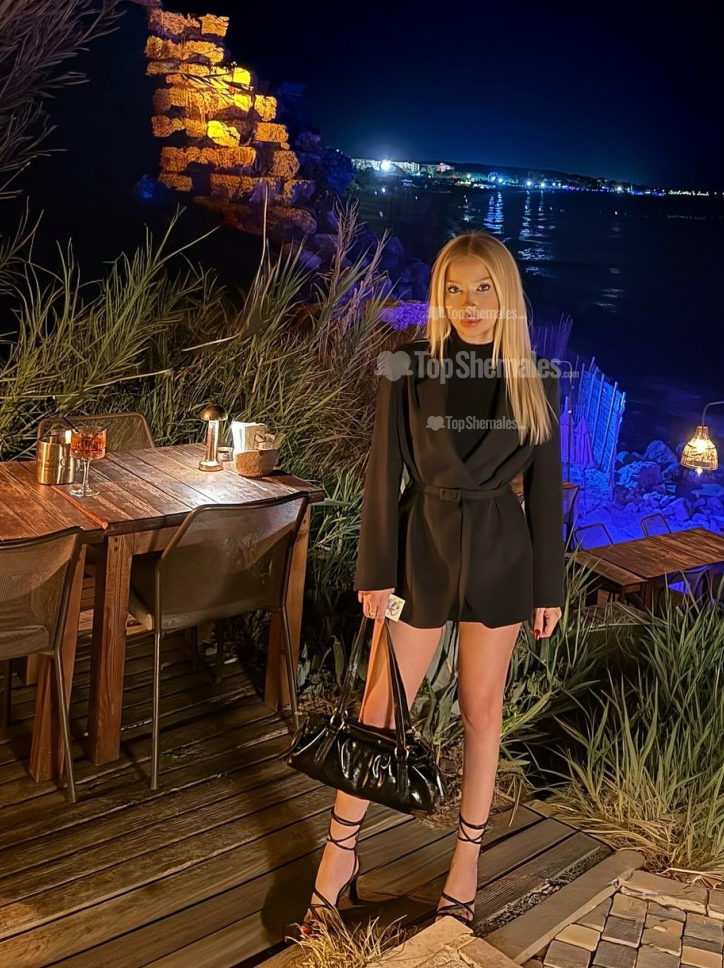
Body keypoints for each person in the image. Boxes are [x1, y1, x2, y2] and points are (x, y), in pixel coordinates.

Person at [301, 230, 566, 935]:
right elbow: (382, 472)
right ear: (439, 296)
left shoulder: (536, 375)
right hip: (421, 545)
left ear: (504, 296)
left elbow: (545, 491)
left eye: (483, 288)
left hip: (503, 554)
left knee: (482, 709)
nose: (469, 302)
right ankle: (338, 857)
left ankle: (465, 865)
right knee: (379, 704)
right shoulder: (407, 365)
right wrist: (374, 569)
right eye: (455, 288)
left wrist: (550, 588)